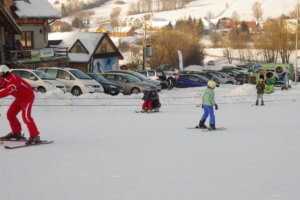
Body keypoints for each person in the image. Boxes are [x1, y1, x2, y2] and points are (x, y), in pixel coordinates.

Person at [0, 65, 41, 145]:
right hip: (19, 98)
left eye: (1, 73)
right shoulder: (5, 78)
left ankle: (35, 136)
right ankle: (16, 133)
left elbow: (8, 91)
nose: (0, 75)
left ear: (5, 72)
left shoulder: (13, 80)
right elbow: (1, 84)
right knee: (10, 114)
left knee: (26, 117)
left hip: (27, 97)